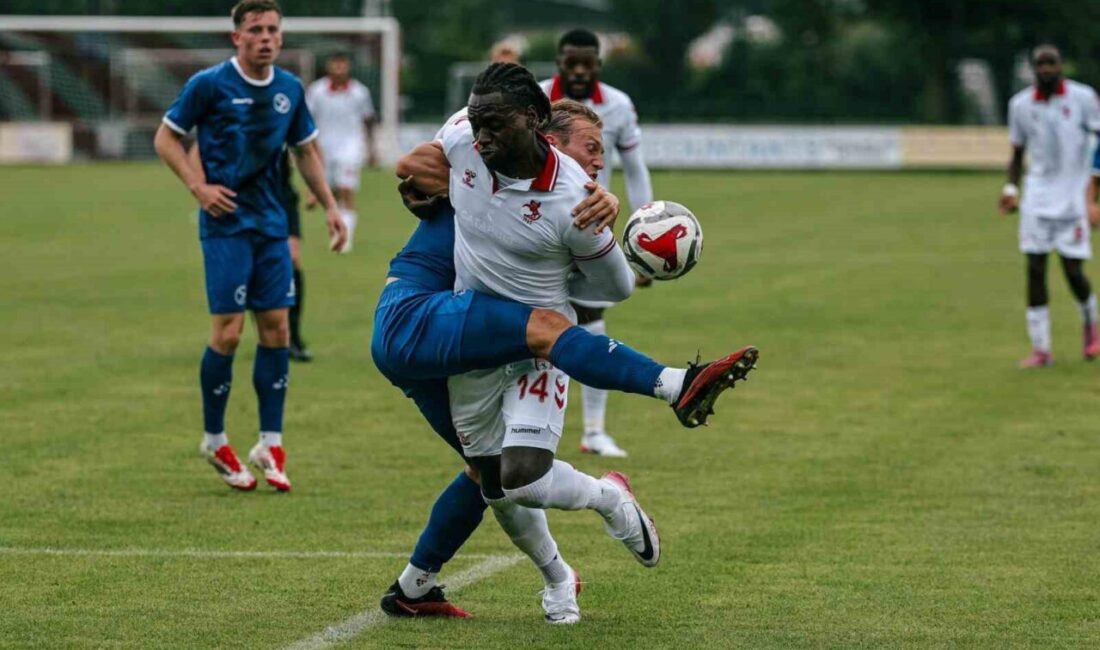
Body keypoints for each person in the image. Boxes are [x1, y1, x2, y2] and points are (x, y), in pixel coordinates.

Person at [374, 94, 757, 620]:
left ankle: (422, 588)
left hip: (524, 342)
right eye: (592, 148)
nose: (601, 161)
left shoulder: (575, 200)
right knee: (490, 479)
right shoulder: (478, 168)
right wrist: (437, 176)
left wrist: (604, 216)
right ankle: (563, 565)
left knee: (517, 477)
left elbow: (614, 284)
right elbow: (414, 168)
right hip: (452, 328)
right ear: (546, 138)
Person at [154, 0, 346, 491]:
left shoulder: (288, 88)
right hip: (225, 226)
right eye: (256, 29)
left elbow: (305, 150)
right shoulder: (209, 84)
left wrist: (328, 206)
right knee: (228, 334)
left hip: (272, 225)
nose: (266, 37)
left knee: (278, 328)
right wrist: (199, 188)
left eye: (273, 30)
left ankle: (270, 441)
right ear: (236, 37)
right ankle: (215, 438)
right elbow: (166, 138)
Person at [540, 28, 655, 457]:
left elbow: (635, 169)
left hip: (588, 227)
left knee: (590, 322)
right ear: (559, 62)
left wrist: (643, 235)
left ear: (599, 65)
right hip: (536, 228)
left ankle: (592, 431)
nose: (580, 70)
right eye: (572, 62)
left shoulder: (619, 105)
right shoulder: (535, 100)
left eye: (588, 62)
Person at [1000, 44, 1100, 368]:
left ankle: (1090, 322)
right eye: (1040, 64)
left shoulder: (1083, 98)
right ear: (1033, 69)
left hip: (1072, 197)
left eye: (1051, 63)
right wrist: (1011, 188)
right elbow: (1016, 153)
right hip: (1037, 197)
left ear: (1061, 66)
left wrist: (1093, 198)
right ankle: (1041, 349)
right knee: (1034, 268)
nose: (1045, 69)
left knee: (1073, 271)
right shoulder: (1020, 105)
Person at [305, 52, 378, 253]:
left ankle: (346, 239)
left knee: (347, 190)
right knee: (333, 193)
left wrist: (372, 149)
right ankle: (337, 230)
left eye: (342, 64)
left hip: (351, 147)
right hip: (324, 149)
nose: (339, 68)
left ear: (348, 66)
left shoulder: (359, 92)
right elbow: (307, 120)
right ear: (329, 66)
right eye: (335, 64)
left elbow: (368, 120)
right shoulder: (317, 90)